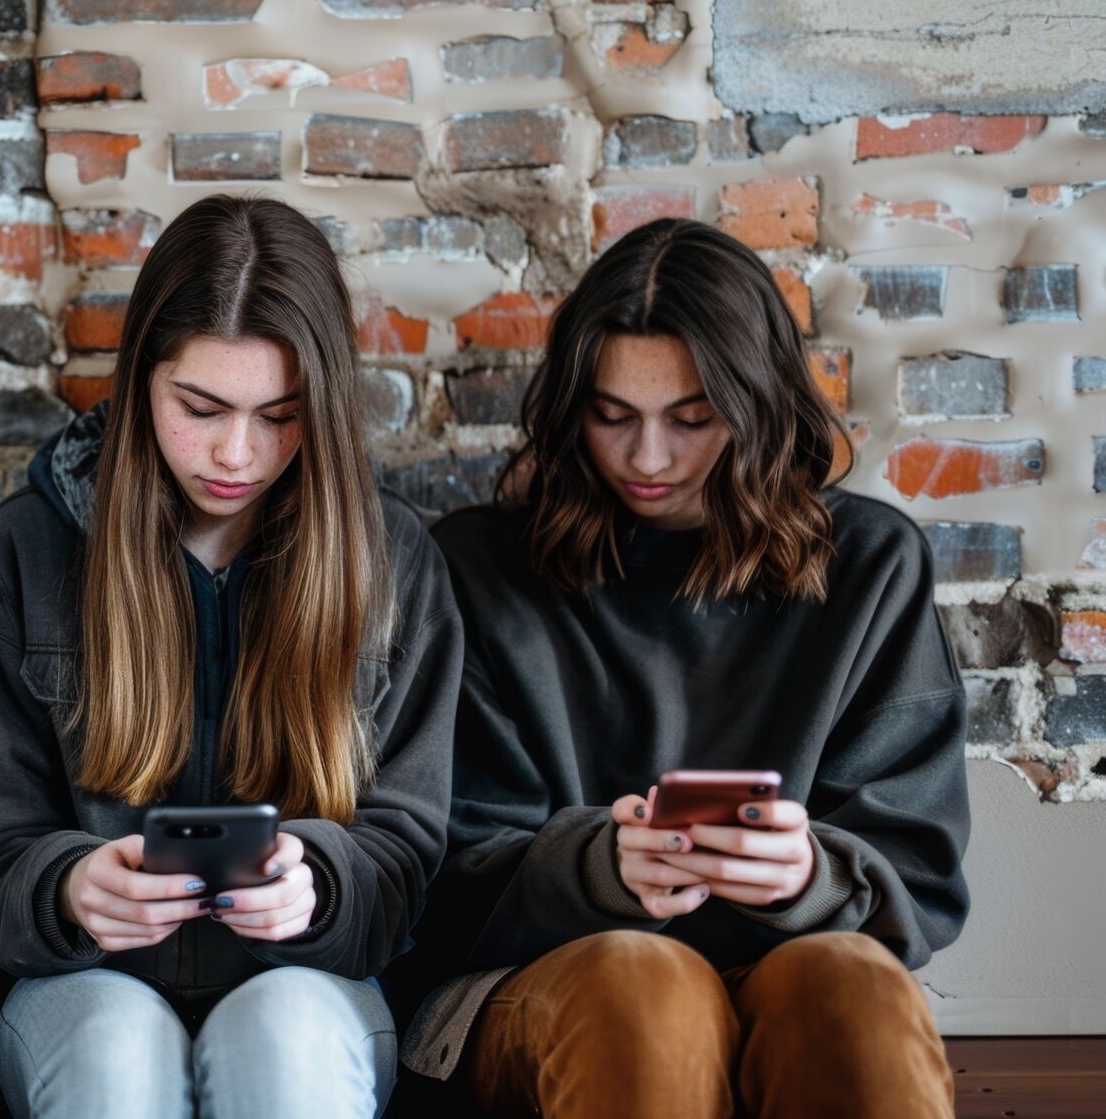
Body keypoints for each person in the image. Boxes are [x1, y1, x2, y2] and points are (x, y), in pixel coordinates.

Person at [400, 218, 970, 1119]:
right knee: (645, 984)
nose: (648, 459)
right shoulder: (478, 568)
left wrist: (805, 875)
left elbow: (921, 881)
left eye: (693, 419)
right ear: (569, 407)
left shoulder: (868, 567)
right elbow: (426, 877)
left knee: (852, 989)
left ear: (759, 407)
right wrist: (600, 866)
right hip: (540, 984)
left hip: (793, 959)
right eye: (612, 415)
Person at [0, 195, 462, 1119]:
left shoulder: (391, 562)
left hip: (315, 985)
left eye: (280, 415)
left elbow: (410, 856)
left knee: (287, 1042)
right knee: (113, 1053)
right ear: (141, 378)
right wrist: (67, 890)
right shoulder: (22, 554)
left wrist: (321, 887)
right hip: (84, 985)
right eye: (201, 407)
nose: (237, 453)